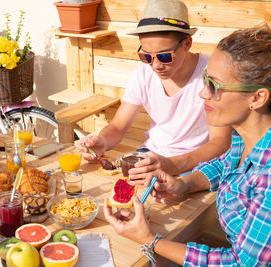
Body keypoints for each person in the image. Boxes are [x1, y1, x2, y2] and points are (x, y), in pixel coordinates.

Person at [104, 24, 271, 265]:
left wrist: (151, 240)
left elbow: (240, 263)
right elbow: (223, 166)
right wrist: (182, 185)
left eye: (214, 85)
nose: (203, 93)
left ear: (257, 98)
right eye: (205, 80)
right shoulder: (244, 142)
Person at [79, 0, 232, 177]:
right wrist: (103, 141)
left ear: (187, 44)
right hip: (150, 155)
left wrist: (173, 165)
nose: (155, 65)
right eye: (146, 56)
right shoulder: (143, 75)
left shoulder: (211, 75)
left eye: (165, 56)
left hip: (196, 164)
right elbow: (118, 126)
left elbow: (220, 142)